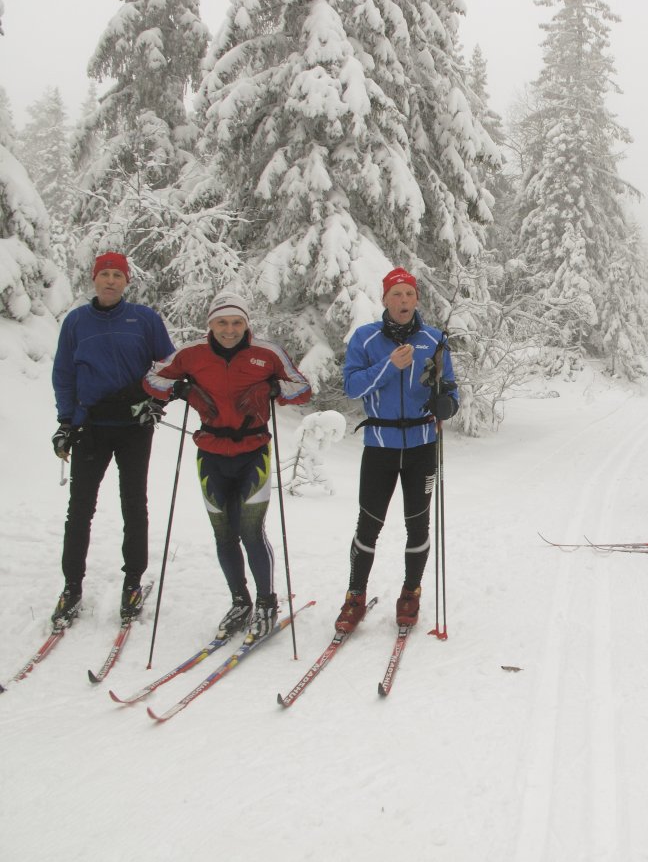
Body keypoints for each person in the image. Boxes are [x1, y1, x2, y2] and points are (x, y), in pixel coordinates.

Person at [144, 292, 312, 640]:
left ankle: (266, 602)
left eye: (237, 322)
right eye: (222, 322)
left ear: (246, 324)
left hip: (254, 450)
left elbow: (302, 389)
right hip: (211, 452)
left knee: (251, 531)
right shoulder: (192, 355)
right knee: (223, 534)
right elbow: (152, 381)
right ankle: (240, 600)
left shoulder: (266, 354)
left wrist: (271, 388)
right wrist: (181, 390)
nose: (230, 330)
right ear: (211, 324)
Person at [50, 252, 174, 628]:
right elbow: (64, 374)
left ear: (126, 281)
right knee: (80, 508)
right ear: (94, 279)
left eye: (117, 275)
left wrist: (156, 400)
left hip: (135, 426)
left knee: (134, 502)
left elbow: (170, 365)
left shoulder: (145, 319)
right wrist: (65, 421)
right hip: (91, 426)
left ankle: (133, 581)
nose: (110, 280)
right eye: (104, 274)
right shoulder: (76, 322)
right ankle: (72, 586)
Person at [335, 268, 459, 633]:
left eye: (409, 294)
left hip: (422, 445)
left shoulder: (433, 339)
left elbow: (451, 390)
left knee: (418, 524)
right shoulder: (366, 338)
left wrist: (446, 405)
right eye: (396, 295)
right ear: (385, 299)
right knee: (368, 525)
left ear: (416, 299)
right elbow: (353, 387)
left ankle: (411, 592)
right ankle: (355, 595)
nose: (403, 301)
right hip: (380, 446)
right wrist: (390, 365)